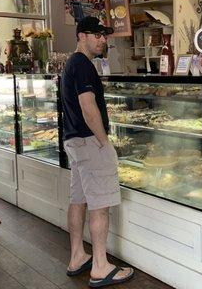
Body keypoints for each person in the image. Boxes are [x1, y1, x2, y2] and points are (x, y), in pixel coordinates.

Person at [61, 16, 134, 287]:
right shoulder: (82, 65)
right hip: (90, 142)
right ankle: (101, 266)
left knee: (78, 200)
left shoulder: (73, 63)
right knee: (100, 206)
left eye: (104, 35)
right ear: (81, 36)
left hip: (75, 142)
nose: (103, 40)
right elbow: (88, 106)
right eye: (97, 35)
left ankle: (77, 256)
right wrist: (105, 143)